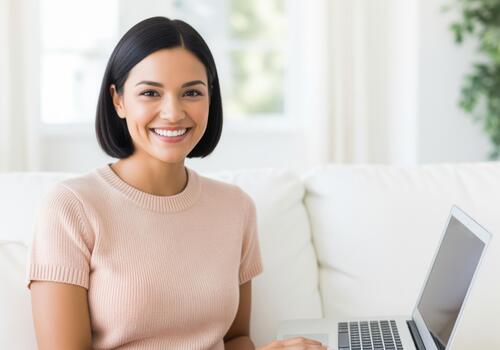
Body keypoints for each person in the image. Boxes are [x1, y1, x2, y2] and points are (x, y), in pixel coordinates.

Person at [26, 16, 328, 350]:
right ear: (118, 100)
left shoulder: (235, 207)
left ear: (209, 99)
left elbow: (236, 339)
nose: (173, 113)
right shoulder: (70, 207)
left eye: (191, 93)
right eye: (151, 92)